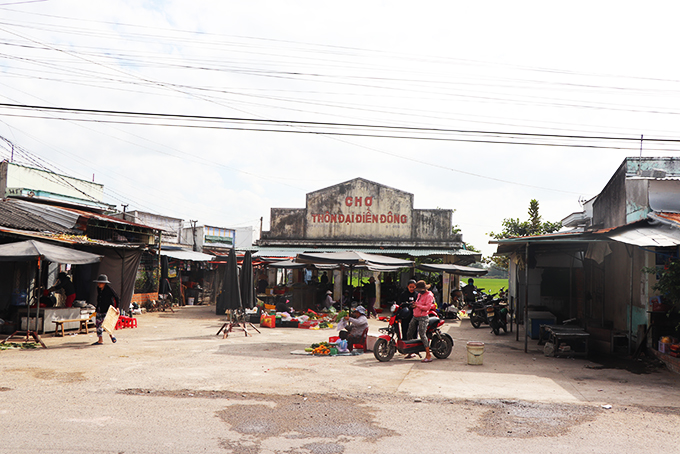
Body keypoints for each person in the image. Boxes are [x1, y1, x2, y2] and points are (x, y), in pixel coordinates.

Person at [407, 280, 436, 362]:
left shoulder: (429, 295)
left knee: (422, 334)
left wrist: (418, 305)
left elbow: (427, 307)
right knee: (409, 331)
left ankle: (428, 354)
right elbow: (417, 303)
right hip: (415, 316)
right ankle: (411, 351)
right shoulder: (419, 294)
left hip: (423, 317)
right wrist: (414, 304)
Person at [93, 274, 119, 345]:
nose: (99, 284)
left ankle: (111, 336)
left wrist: (117, 308)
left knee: (107, 324)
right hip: (100, 308)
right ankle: (100, 340)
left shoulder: (109, 289)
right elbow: (99, 298)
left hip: (107, 309)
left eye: (100, 283)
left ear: (104, 283)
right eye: (98, 283)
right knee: (98, 324)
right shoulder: (98, 289)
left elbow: (116, 297)